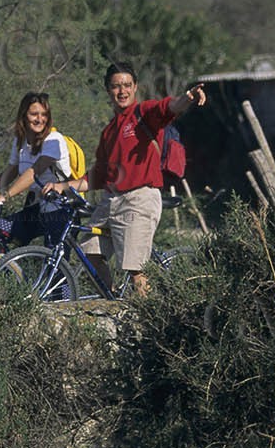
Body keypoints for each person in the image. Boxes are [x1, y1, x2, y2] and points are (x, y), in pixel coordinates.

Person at [49, 63, 205, 297]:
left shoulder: (144, 113)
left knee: (135, 270)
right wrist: (62, 186)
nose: (121, 91)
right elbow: (98, 176)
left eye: (126, 86)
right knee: (89, 254)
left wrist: (188, 97)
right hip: (111, 200)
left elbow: (170, 106)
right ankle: (112, 302)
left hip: (138, 199)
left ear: (135, 88)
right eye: (115, 86)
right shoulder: (109, 131)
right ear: (108, 90)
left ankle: (147, 321)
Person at [0, 91, 74, 253]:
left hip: (61, 211)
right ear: (23, 115)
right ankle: (7, 275)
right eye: (34, 114)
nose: (39, 119)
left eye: (44, 114)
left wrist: (5, 196)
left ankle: (57, 278)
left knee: (54, 264)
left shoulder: (54, 139)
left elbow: (33, 173)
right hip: (38, 209)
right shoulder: (21, 141)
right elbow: (12, 169)